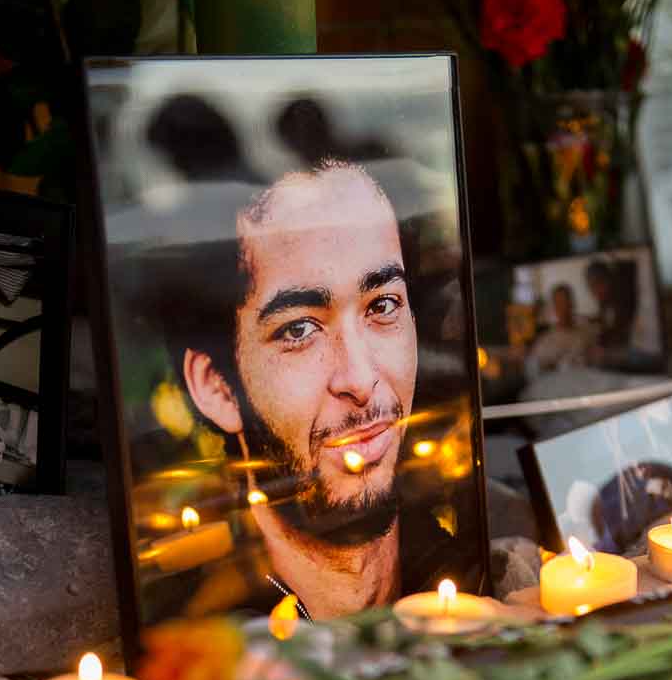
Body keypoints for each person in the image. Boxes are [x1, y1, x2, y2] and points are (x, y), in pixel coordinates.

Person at [155, 155, 473, 620]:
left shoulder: (469, 580)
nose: (361, 379)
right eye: (299, 330)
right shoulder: (210, 649)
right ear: (217, 388)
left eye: (382, 305)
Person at [526, 282, 595, 377]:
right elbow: (535, 367)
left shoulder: (587, 329)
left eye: (566, 301)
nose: (564, 308)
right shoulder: (546, 340)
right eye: (559, 303)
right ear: (554, 307)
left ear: (572, 303)